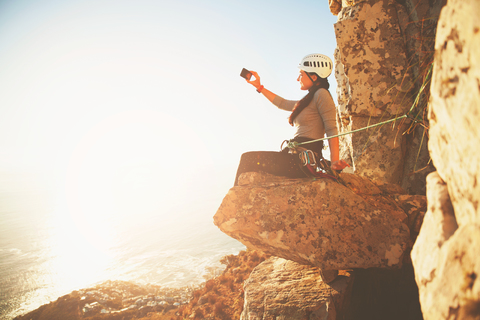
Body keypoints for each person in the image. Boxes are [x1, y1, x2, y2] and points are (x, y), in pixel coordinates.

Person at [234, 53, 349, 186]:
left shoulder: (321, 94)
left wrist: (335, 161)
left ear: (313, 76)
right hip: (296, 158)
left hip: (301, 162)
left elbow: (331, 129)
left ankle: (232, 203)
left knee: (247, 159)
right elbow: (282, 103)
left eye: (301, 74)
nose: (298, 78)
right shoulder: (309, 99)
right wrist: (259, 87)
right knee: (249, 160)